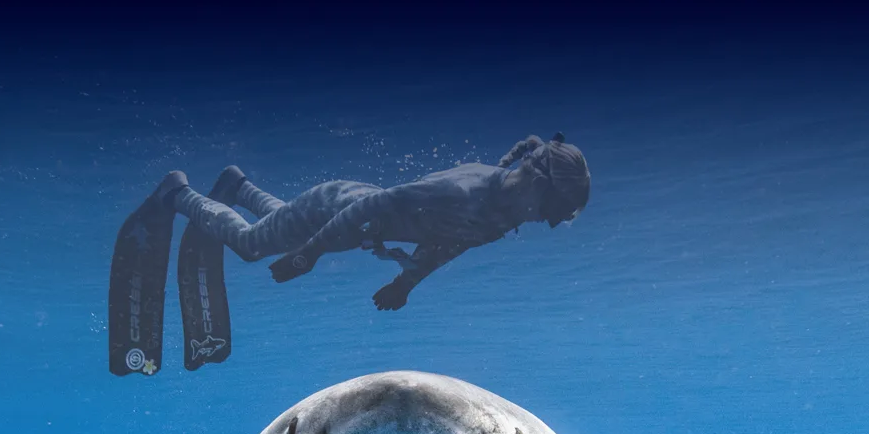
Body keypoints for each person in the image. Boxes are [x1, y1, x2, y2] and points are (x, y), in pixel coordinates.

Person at [150, 133, 589, 311]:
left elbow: (448, 245)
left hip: (349, 222)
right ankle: (179, 193)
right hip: (338, 209)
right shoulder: (464, 193)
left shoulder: (500, 213)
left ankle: (237, 187)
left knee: (283, 224)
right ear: (537, 184)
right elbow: (371, 207)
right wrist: (307, 258)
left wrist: (406, 284)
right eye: (550, 212)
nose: (542, 222)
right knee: (250, 245)